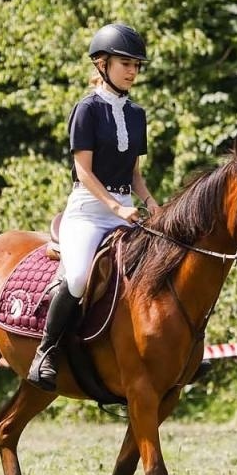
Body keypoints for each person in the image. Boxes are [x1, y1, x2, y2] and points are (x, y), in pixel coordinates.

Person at [26, 22, 163, 391]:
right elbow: (83, 172)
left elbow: (134, 174)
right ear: (103, 64)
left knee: (158, 269)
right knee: (77, 278)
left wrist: (151, 203)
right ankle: (46, 351)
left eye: (136, 65)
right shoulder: (86, 109)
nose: (132, 71)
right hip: (88, 211)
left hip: (126, 208)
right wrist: (117, 209)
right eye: (125, 64)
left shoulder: (136, 114)